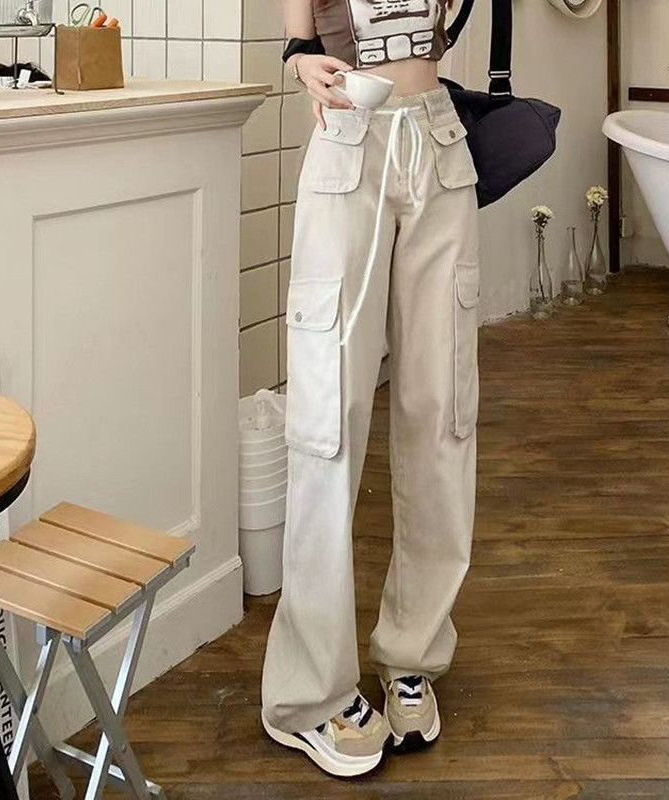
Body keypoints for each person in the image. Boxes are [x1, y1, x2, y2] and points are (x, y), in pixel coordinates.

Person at [261, 0, 480, 778]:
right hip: (350, 131)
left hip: (438, 138)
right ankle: (308, 693)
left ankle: (413, 653)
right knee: (329, 417)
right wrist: (297, 49)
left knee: (442, 410)